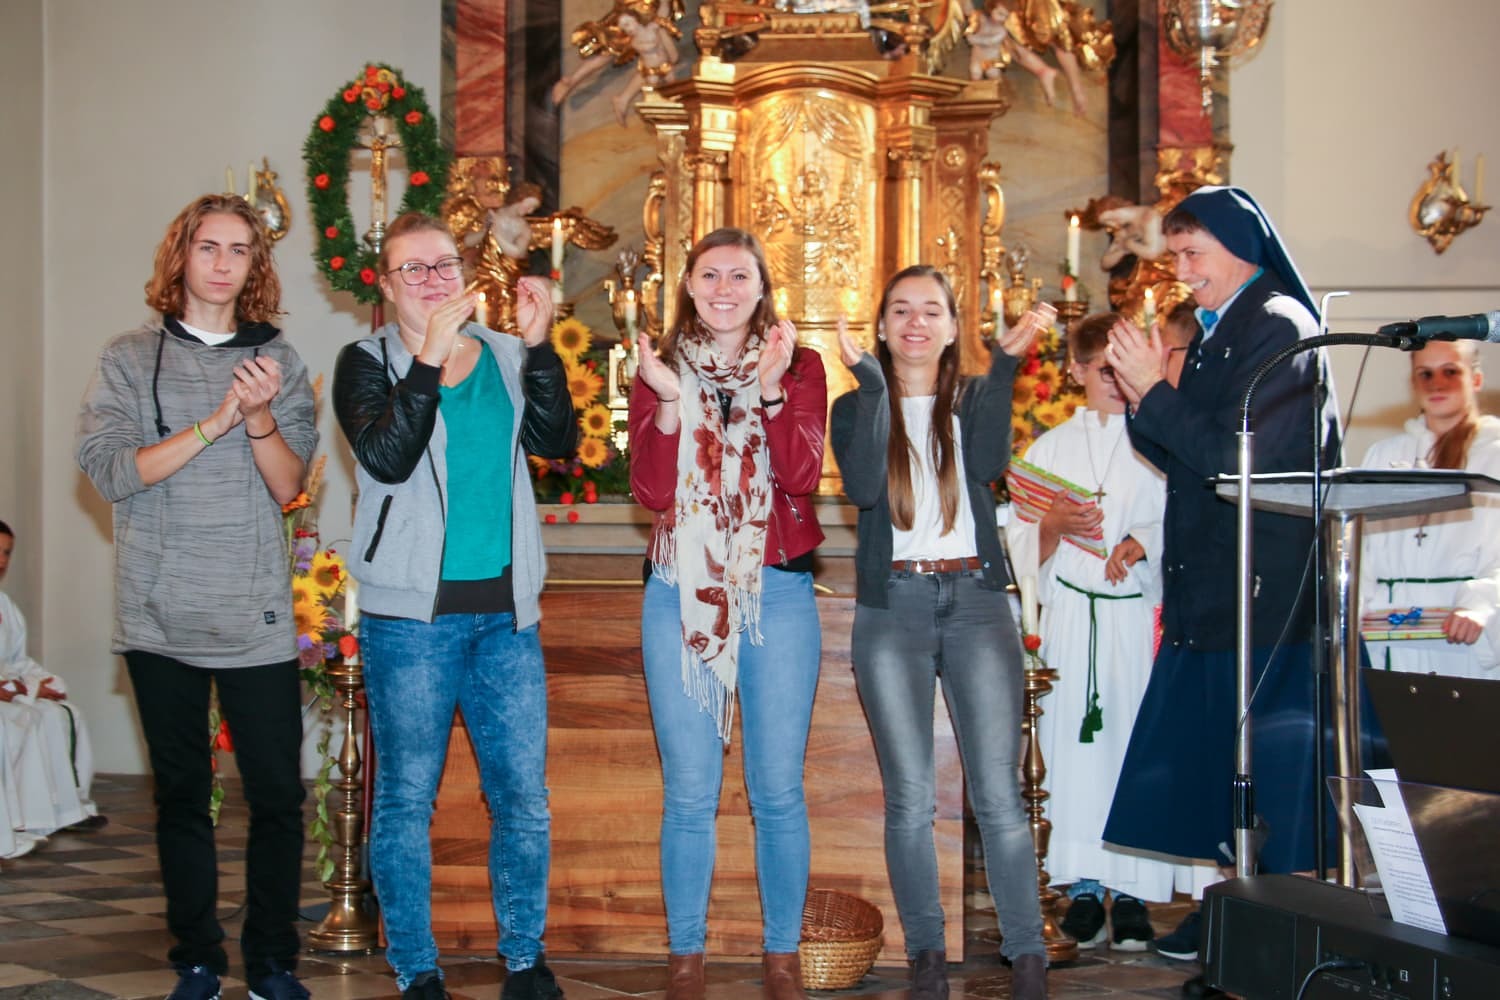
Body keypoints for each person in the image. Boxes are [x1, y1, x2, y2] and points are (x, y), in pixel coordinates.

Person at [1099, 187, 1345, 991]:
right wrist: (1142, 392)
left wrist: (1156, 391)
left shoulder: (1279, 327)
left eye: (1191, 253)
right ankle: (1244, 927)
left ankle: (1289, 942)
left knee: (1278, 786)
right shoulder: (1217, 331)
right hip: (1217, 595)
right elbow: (1185, 453)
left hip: (1269, 603)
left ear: (1240, 247)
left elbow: (1242, 460)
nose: (1181, 269)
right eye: (1174, 254)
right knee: (1225, 779)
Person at [76, 193, 317, 1000]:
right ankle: (199, 961)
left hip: (254, 615)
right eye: (208, 247)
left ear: (255, 266)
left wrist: (257, 416)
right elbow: (113, 473)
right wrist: (215, 422)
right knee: (182, 799)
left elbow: (289, 487)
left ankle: (273, 961)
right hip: (158, 617)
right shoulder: (126, 356)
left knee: (278, 797)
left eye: (239, 250)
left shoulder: (279, 360)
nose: (222, 263)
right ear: (180, 255)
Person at [332, 212, 577, 1000]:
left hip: (507, 616)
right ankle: (417, 970)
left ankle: (524, 961)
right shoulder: (364, 362)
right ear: (386, 285)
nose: (434, 280)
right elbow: (386, 457)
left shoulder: (504, 353)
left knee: (523, 799)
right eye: (414, 268)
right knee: (407, 800)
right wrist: (428, 360)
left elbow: (557, 442)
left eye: (444, 264)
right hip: (412, 622)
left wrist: (540, 348)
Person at [831, 265, 1053, 1000]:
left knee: (998, 796)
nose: (916, 323)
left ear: (954, 327)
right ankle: (926, 954)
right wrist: (872, 387)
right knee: (910, 798)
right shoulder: (853, 405)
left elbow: (988, 464)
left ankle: (1027, 957)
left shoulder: (977, 398)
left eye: (931, 310)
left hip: (976, 603)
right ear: (882, 326)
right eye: (901, 310)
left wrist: (1009, 362)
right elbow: (865, 488)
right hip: (892, 608)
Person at [629, 227, 826, 1000]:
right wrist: (668, 403)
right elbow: (652, 491)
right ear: (687, 284)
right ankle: (686, 960)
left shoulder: (799, 364)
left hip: (776, 590)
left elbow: (802, 473)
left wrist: (772, 391)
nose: (723, 289)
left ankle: (782, 959)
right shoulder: (659, 366)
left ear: (761, 287)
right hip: (679, 590)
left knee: (777, 790)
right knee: (689, 792)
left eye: (739, 276)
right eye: (709, 274)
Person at [1004, 312, 1178, 952]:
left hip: (1132, 618)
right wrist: (1051, 526)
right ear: (1076, 371)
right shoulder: (1048, 449)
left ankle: (1130, 893)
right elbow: (1017, 541)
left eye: (1121, 367)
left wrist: (1143, 541)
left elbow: (1181, 519)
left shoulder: (1158, 444)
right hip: (1072, 620)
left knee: (1130, 749)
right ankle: (1079, 889)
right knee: (1072, 757)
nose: (1112, 378)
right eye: (1102, 368)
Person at [1360, 341, 1500, 678]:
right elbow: (1360, 551)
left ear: (1475, 379)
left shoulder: (1495, 455)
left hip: (1466, 635)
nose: (1437, 384)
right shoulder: (1383, 456)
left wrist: (1483, 606)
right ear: (1412, 383)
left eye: (1450, 371)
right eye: (1425, 374)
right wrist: (1353, 611)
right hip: (1389, 637)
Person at [0, 520, 104, 844]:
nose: (2, 561)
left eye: (7, 553)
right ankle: (24, 817)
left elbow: (16, 660)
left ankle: (67, 809)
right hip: (7, 697)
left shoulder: (4, 605)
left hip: (10, 689)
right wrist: (26, 690)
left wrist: (42, 681)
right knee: (25, 718)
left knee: (63, 713)